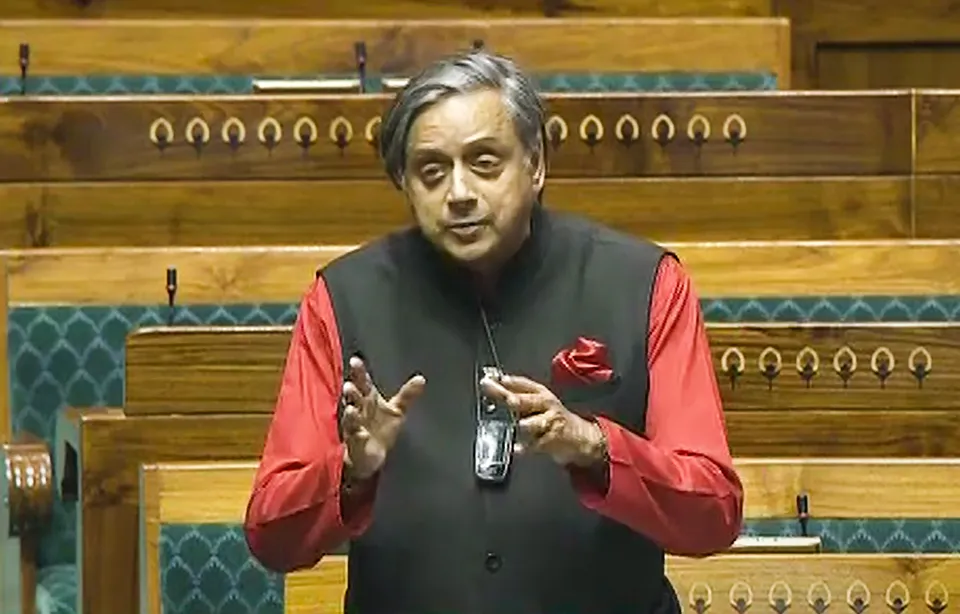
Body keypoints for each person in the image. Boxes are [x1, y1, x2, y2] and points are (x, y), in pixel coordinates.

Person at [244, 50, 743, 614]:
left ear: (535, 164)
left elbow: (714, 514)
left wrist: (594, 447)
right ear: (404, 183)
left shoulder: (646, 284)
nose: (459, 193)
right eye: (432, 171)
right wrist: (350, 474)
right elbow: (270, 537)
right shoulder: (341, 299)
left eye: (484, 163)